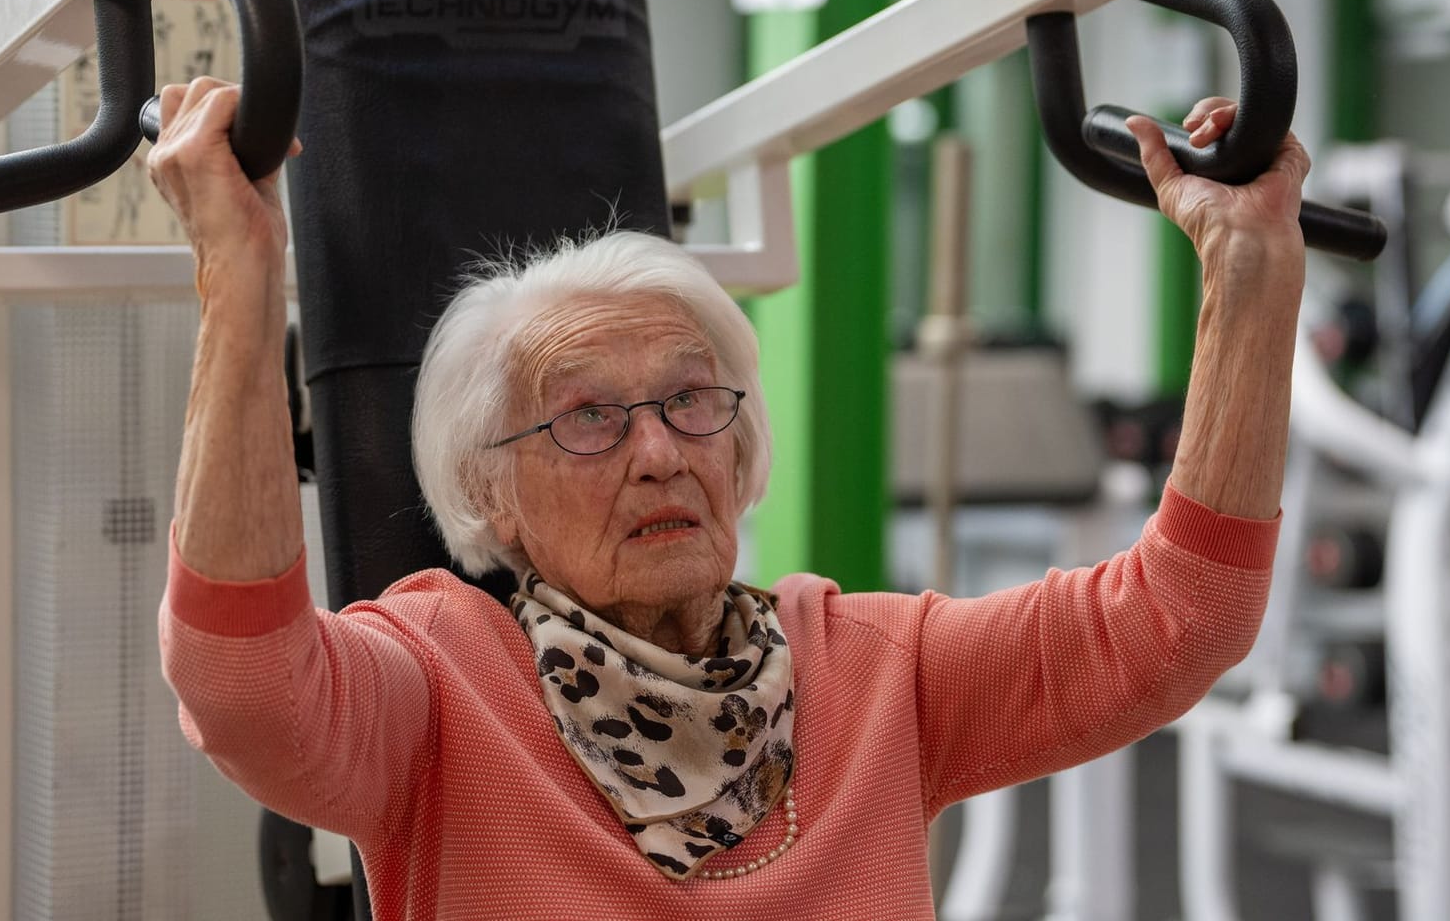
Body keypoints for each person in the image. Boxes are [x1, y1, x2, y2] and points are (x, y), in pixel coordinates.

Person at [150, 76, 1307, 918]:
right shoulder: (439, 686)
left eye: (693, 402)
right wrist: (241, 277)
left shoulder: (875, 672)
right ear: (489, 494)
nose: (659, 452)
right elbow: (244, 685)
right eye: (588, 418)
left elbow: (1181, 620)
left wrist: (1249, 276)